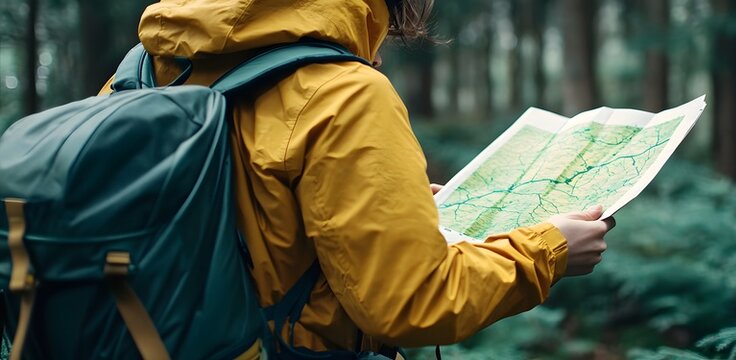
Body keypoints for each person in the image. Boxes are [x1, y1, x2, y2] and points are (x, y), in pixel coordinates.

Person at [104, 0, 614, 356]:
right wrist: (548, 251)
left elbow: (245, 215)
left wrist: (394, 212)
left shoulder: (147, 66)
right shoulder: (345, 95)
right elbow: (412, 302)